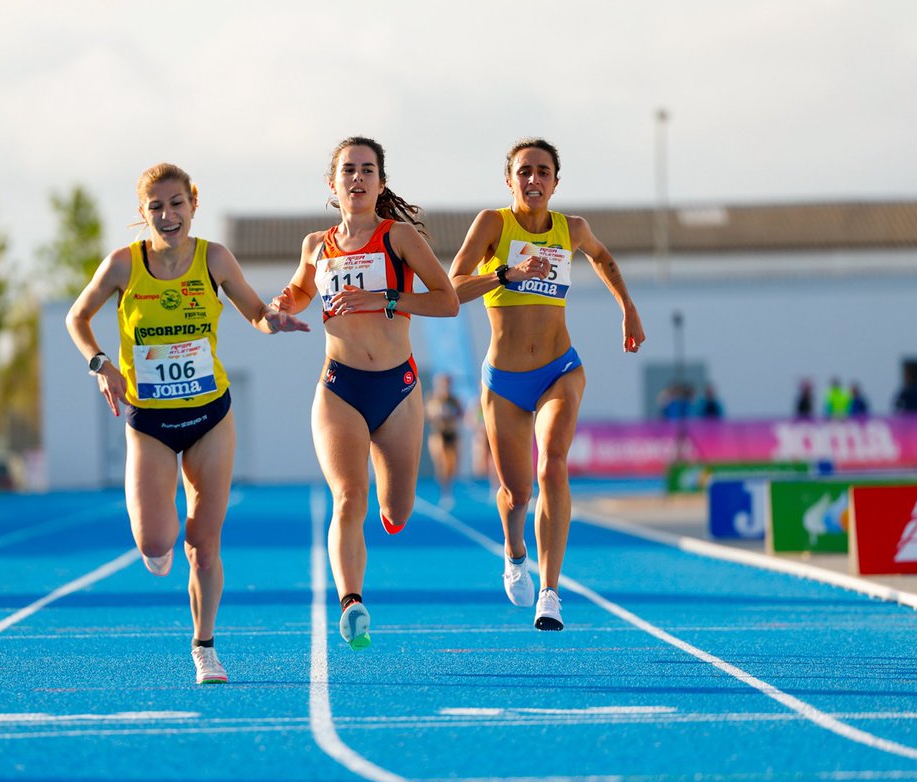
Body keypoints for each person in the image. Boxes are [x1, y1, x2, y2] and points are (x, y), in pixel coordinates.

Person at [65, 163, 308, 684]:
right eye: (156, 206)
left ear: (193, 204)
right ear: (143, 213)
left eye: (176, 204)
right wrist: (100, 364)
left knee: (204, 543)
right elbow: (76, 317)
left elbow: (254, 314)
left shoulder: (214, 258)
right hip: (149, 420)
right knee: (156, 543)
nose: (168, 215)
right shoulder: (123, 265)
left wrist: (275, 320)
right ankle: (159, 543)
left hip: (209, 416)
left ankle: (204, 646)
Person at [270, 136, 458, 651]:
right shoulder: (317, 245)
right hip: (340, 388)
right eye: (348, 170)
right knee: (347, 497)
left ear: (380, 182)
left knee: (396, 511)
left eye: (367, 170)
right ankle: (352, 602)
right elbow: (299, 294)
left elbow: (447, 302)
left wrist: (385, 298)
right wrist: (282, 305)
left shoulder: (398, 238)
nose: (357, 178)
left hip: (397, 390)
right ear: (332, 184)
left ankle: (389, 505)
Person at [449, 138, 644, 631]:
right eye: (524, 171)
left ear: (556, 181)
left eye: (543, 172)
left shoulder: (571, 229)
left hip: (560, 369)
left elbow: (604, 259)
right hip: (505, 383)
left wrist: (628, 308)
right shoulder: (493, 224)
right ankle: (515, 553)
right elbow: (452, 286)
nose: (533, 179)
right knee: (516, 493)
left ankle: (550, 591)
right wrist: (506, 274)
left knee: (553, 466)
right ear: (509, 180)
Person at [425, 373, 464, 509]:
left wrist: (453, 414)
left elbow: (461, 414)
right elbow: (429, 414)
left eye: (448, 383)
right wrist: (439, 413)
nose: (446, 386)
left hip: (452, 433)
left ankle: (448, 487)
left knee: (451, 464)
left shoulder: (454, 399)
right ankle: (444, 491)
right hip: (438, 433)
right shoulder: (434, 398)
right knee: (441, 462)